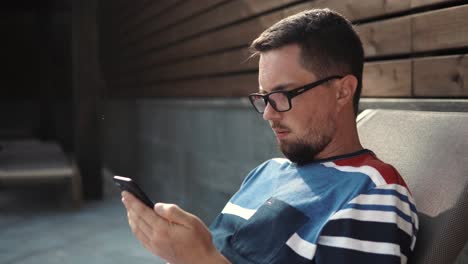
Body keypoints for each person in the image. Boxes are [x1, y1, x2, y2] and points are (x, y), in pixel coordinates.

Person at [121, 8, 418, 264]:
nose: (268, 113)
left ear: (342, 91)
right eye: (265, 97)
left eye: (283, 95)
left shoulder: (371, 193)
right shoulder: (266, 172)